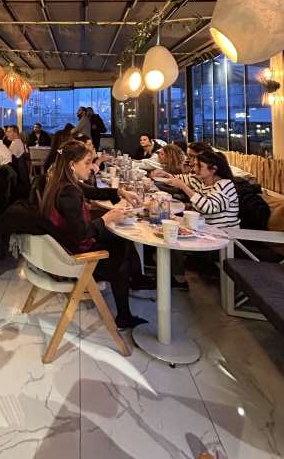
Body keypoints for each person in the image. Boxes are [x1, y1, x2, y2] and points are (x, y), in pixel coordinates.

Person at [40, 140, 147, 330]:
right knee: (121, 254)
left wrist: (121, 192)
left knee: (122, 240)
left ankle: (137, 280)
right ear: (72, 164)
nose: (91, 167)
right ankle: (124, 316)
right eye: (87, 163)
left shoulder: (63, 182)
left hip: (65, 245)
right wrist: (107, 218)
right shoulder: (68, 192)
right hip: (74, 257)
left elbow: (94, 191)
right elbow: (81, 233)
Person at [162, 150, 240, 228]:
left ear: (213, 169)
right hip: (205, 228)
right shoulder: (204, 184)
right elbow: (198, 206)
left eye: (200, 166)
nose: (195, 169)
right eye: (195, 165)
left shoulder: (225, 184)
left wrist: (184, 187)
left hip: (225, 231)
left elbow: (208, 207)